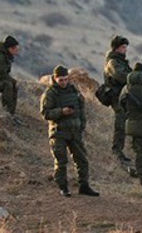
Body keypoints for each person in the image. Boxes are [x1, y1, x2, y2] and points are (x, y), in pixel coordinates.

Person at [40, 65, 99, 197]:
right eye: (61, 80)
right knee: (61, 161)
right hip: (58, 132)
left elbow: (81, 109)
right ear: (55, 79)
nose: (64, 82)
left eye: (66, 79)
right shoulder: (50, 94)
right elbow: (45, 113)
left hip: (75, 131)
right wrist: (61, 112)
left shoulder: (74, 91)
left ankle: (84, 186)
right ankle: (63, 187)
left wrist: (81, 125)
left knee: (82, 159)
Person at [103, 35, 132, 162]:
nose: (125, 50)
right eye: (123, 47)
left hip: (123, 96)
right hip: (116, 97)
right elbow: (121, 76)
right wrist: (133, 77)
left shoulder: (120, 61)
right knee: (120, 123)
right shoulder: (113, 62)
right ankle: (117, 150)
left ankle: (121, 150)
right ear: (116, 48)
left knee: (125, 123)